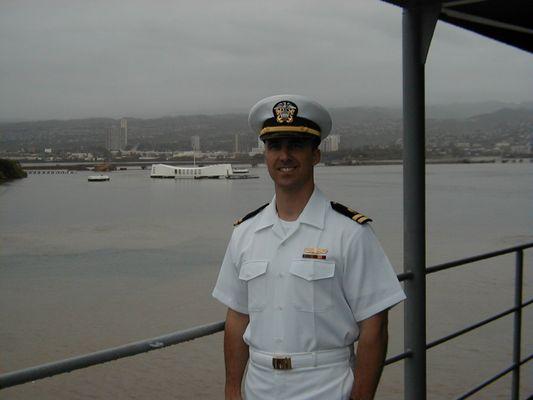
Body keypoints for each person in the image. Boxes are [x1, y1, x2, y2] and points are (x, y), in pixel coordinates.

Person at [212, 94, 406, 400]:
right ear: (265, 155)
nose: (284, 155)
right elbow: (237, 316)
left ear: (316, 154)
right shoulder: (245, 233)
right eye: (275, 146)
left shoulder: (349, 232)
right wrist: (232, 389)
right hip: (258, 386)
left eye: (296, 145)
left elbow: (375, 325)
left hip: (326, 386)